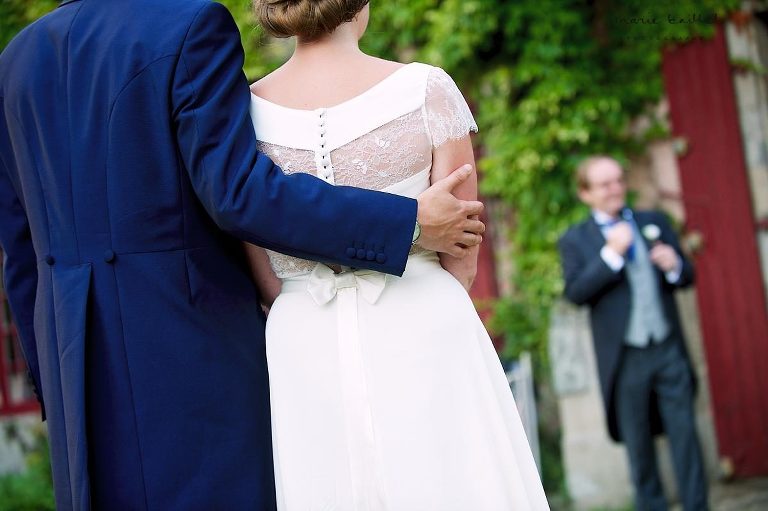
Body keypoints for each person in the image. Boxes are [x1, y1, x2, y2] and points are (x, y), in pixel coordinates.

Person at [0, 0, 486, 509]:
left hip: (75, 371)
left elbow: (20, 245)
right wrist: (404, 222)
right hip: (190, 354)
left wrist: (53, 380)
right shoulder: (187, 25)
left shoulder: (17, 59)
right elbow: (240, 196)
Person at [245, 1, 550, 509]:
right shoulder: (424, 90)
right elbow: (463, 247)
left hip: (301, 335)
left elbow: (263, 269)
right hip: (422, 318)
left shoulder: (245, 111)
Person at [557, 156, 708, 511]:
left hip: (668, 347)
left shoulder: (653, 221)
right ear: (585, 194)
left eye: (618, 181)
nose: (615, 189)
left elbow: (686, 276)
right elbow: (576, 293)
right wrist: (611, 254)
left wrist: (675, 266)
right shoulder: (576, 240)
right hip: (625, 358)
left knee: (686, 437)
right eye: (605, 184)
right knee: (639, 449)